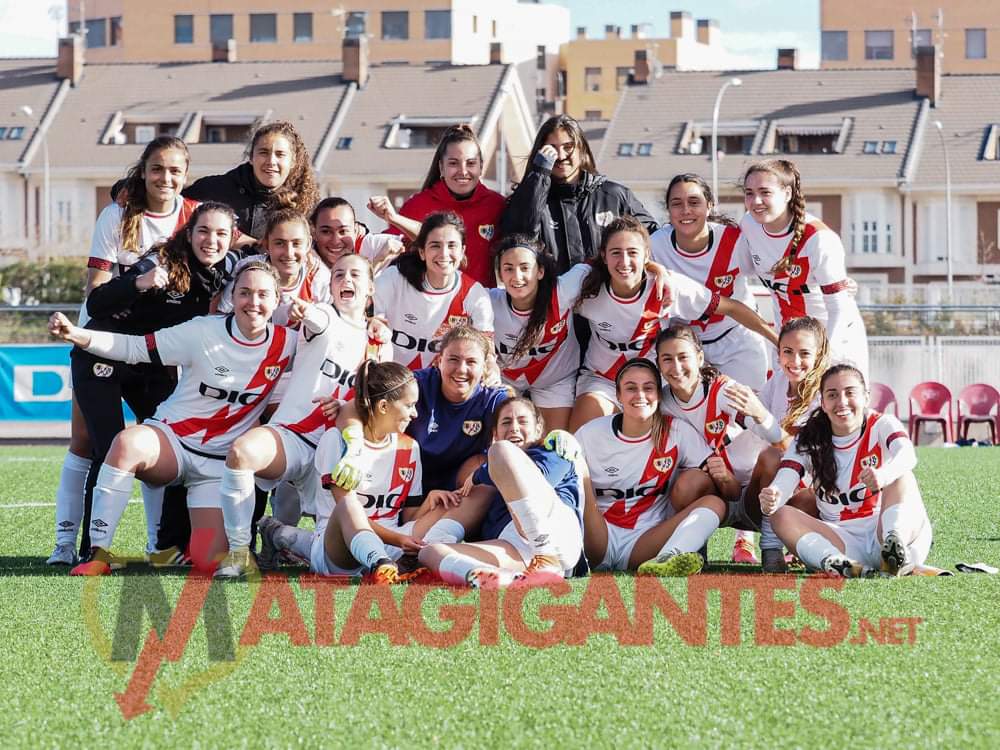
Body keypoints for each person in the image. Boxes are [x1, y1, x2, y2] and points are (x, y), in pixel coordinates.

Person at [47, 260, 296, 576]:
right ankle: (98, 553)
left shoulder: (288, 344)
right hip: (171, 445)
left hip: (219, 468)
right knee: (127, 443)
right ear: (233, 296)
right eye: (244, 293)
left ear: (277, 299)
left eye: (263, 294)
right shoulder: (202, 330)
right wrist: (77, 334)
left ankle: (276, 535)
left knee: (209, 561)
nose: (254, 302)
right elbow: (134, 348)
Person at [48, 136, 198, 566]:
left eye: (174, 170)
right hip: (101, 340)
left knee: (159, 444)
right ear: (143, 170)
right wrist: (137, 283)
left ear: (186, 176)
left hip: (156, 351)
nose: (165, 177)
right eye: (157, 168)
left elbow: (239, 238)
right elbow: (95, 295)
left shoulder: (194, 216)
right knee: (92, 444)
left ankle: (159, 547)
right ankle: (70, 546)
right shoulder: (118, 213)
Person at [215, 253, 388, 578]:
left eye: (354, 275)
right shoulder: (324, 315)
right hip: (292, 436)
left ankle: (277, 533)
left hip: (333, 449)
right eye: (338, 274)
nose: (345, 280)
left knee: (339, 563)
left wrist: (348, 409)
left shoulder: (380, 344)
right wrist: (302, 309)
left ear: (370, 289)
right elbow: (313, 318)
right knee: (241, 452)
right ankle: (239, 553)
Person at [570, 215, 778, 431]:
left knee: (676, 435)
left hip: (654, 380)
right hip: (602, 377)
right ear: (603, 256)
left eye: (633, 253)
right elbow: (545, 302)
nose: (624, 262)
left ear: (646, 256)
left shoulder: (668, 286)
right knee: (581, 436)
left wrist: (777, 340)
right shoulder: (584, 286)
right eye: (616, 253)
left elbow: (731, 307)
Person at [260, 361, 447, 583]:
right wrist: (398, 540)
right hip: (340, 548)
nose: (415, 414)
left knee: (451, 504)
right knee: (349, 506)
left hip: (393, 544)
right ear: (384, 406)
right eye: (409, 405)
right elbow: (345, 511)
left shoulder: (410, 447)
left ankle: (275, 532)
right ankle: (381, 565)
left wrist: (431, 503)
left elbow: (409, 517)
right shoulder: (337, 442)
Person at [759, 365, 932, 577]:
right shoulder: (809, 437)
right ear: (822, 402)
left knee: (903, 476)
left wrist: (883, 475)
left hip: (885, 531)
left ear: (866, 397)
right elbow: (787, 475)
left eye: (850, 393)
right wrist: (774, 494)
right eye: (832, 395)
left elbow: (907, 455)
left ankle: (893, 550)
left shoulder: (882, 424)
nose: (842, 402)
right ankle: (841, 563)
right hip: (842, 538)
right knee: (781, 515)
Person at [575, 358, 727, 575]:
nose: (640, 395)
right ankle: (555, 556)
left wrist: (727, 477)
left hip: (644, 543)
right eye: (630, 388)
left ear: (659, 394)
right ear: (618, 395)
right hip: (598, 537)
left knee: (714, 502)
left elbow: (720, 488)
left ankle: (668, 557)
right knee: (575, 468)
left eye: (648, 388)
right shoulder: (591, 433)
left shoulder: (676, 431)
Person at [654, 323, 785, 567]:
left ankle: (771, 546)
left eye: (683, 357)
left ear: (700, 358)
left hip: (750, 493)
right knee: (687, 482)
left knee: (773, 458)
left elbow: (778, 439)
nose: (676, 367)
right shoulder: (661, 404)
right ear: (659, 364)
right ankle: (694, 548)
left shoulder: (724, 390)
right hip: (710, 497)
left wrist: (760, 414)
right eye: (667, 359)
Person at [418, 397, 584, 587]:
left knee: (501, 451)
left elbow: (539, 479)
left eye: (522, 421)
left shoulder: (553, 448)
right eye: (506, 422)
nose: (514, 427)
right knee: (429, 552)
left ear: (538, 429)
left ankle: (547, 558)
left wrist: (480, 474)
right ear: (495, 433)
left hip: (555, 534)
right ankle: (497, 579)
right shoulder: (491, 480)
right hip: (516, 546)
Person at [739, 159, 868, 376]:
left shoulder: (820, 239)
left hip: (833, 341)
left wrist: (824, 356)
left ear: (787, 194)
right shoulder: (749, 225)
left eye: (765, 192)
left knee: (833, 409)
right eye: (749, 193)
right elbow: (744, 268)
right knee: (782, 409)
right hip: (788, 342)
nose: (756, 201)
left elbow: (839, 309)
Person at [650, 173, 769, 391]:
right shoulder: (655, 245)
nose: (686, 210)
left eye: (694, 202)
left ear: (710, 205)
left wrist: (833, 283)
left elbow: (774, 271)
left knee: (746, 416)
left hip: (737, 342)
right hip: (684, 349)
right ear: (668, 210)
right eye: (676, 204)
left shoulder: (735, 240)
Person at [502, 114, 658, 273]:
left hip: (604, 296)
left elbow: (655, 240)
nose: (560, 156)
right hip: (551, 296)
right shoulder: (528, 199)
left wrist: (655, 268)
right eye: (551, 150)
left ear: (581, 148)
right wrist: (539, 176)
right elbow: (517, 241)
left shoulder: (614, 196)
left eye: (568, 147)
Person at [368, 124, 505, 287]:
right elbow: (386, 249)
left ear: (481, 166)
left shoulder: (497, 205)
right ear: (441, 167)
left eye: (471, 163)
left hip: (481, 306)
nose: (463, 171)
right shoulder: (417, 205)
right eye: (453, 163)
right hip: (428, 307)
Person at [490, 235, 589, 431]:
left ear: (540, 271)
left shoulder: (563, 291)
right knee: (506, 438)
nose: (517, 277)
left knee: (551, 445)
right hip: (506, 379)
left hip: (555, 381)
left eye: (525, 267)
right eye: (508, 268)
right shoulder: (488, 301)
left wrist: (657, 269)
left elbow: (602, 264)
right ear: (500, 274)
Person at [374, 212, 493, 371]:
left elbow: (486, 352)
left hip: (442, 385)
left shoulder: (475, 294)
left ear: (462, 251)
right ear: (422, 252)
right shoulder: (394, 278)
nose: (444, 254)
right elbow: (368, 326)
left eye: (452, 245)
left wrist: (492, 370)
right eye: (435, 245)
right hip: (392, 381)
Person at [184, 121, 320, 241]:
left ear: (293, 161)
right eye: (264, 152)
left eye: (280, 154)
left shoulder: (305, 203)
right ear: (251, 157)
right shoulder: (213, 189)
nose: (271, 162)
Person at [309, 196, 404, 274]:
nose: (336, 241)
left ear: (356, 231)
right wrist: (378, 261)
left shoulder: (370, 245)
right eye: (326, 231)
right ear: (313, 232)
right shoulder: (303, 258)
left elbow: (419, 243)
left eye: (343, 231)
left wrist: (394, 219)